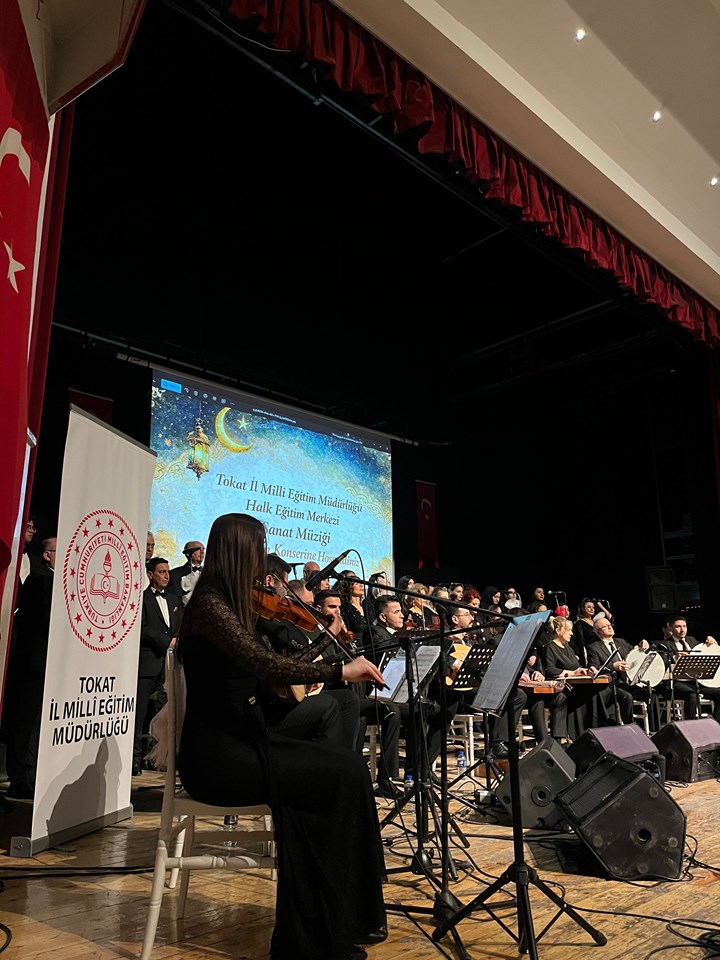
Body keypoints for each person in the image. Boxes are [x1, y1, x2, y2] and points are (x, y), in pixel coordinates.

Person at [176, 513, 387, 960]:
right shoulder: (210, 605)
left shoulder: (232, 604)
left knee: (348, 769)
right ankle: (320, 931)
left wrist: (327, 644)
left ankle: (335, 920)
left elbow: (275, 671)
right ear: (239, 551)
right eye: (258, 547)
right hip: (218, 757)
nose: (263, 559)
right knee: (343, 774)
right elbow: (266, 664)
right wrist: (339, 670)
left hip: (247, 740)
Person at [5, 536, 56, 798]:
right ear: (47, 555)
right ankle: (19, 778)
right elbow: (38, 618)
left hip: (50, 662)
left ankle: (34, 774)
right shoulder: (40, 579)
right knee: (25, 721)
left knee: (38, 722)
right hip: (34, 661)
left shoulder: (58, 580)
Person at [134, 557, 183, 775]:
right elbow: (142, 628)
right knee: (140, 713)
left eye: (168, 572)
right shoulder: (142, 599)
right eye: (161, 572)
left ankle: (164, 759)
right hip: (149, 662)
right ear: (150, 574)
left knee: (168, 712)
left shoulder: (174, 600)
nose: (166, 576)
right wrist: (167, 642)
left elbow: (179, 627)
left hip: (170, 663)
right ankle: (135, 760)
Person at [169, 540, 205, 605]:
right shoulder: (175, 573)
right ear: (187, 554)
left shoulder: (208, 573)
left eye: (203, 549)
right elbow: (175, 598)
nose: (202, 552)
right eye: (198, 549)